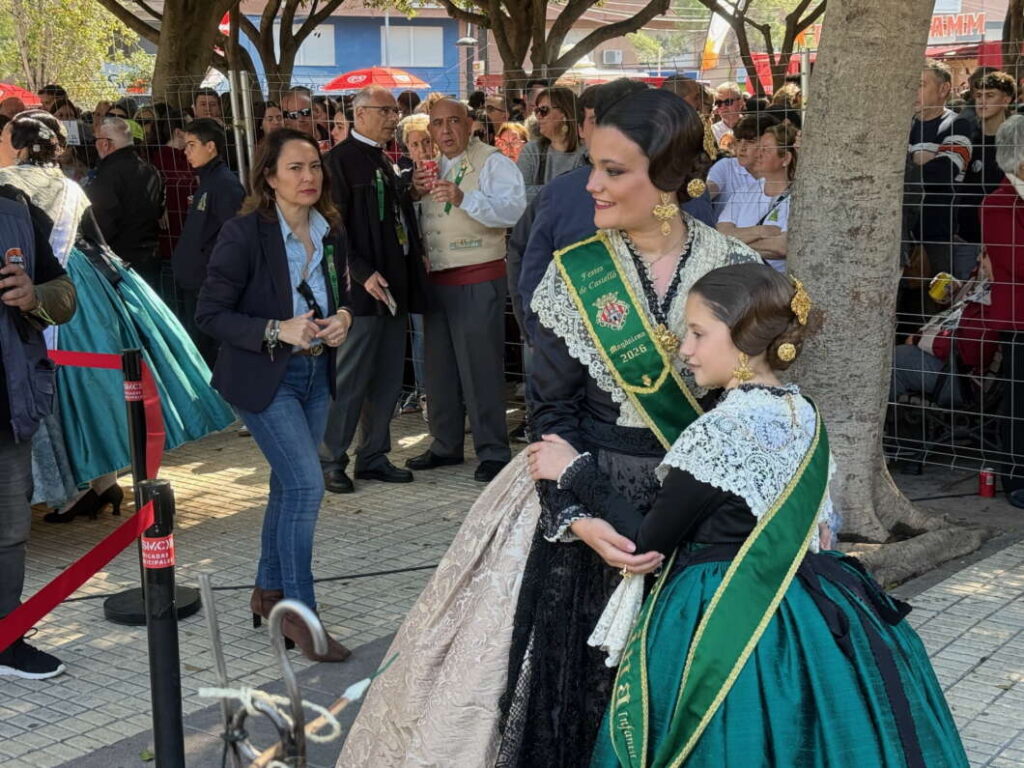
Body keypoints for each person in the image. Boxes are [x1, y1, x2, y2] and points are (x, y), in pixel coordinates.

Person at [337, 89, 758, 768]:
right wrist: (577, 517)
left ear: (670, 175)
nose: (591, 184)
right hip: (588, 504)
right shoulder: (577, 274)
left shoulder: (732, 271)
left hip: (700, 514)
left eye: (614, 170)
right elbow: (552, 414)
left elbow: (749, 412)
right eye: (593, 164)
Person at [528, 263, 968, 768]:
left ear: (743, 340)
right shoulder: (802, 412)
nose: (684, 349)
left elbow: (644, 544)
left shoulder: (722, 431)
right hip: (811, 604)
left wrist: (575, 471)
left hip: (723, 611)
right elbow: (821, 530)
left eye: (697, 333)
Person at [0, 110, 233, 522]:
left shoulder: (8, 184)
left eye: (4, 138)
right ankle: (104, 484)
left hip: (40, 286)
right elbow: (97, 239)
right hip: (92, 281)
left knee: (61, 390)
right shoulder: (71, 186)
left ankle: (70, 490)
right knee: (102, 388)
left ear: (19, 146)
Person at [197, 128, 354, 660]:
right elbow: (210, 314)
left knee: (289, 488)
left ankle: (267, 593)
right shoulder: (244, 234)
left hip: (315, 375)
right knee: (307, 488)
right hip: (264, 379)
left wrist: (344, 319)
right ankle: (300, 616)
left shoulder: (329, 229)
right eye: (295, 168)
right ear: (269, 177)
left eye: (314, 166)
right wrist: (275, 329)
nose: (309, 176)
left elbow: (344, 289)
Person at [405, 98, 526, 483]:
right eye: (437, 124)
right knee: (439, 370)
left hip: (477, 275)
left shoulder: (493, 162)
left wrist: (464, 198)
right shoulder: (430, 166)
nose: (445, 131)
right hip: (437, 279)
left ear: (470, 124)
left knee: (481, 368)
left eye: (453, 122)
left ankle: (492, 449)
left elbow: (512, 212)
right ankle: (445, 443)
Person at [319, 86, 427, 493]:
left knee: (386, 378)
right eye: (385, 111)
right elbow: (332, 225)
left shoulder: (384, 159)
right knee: (349, 379)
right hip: (360, 292)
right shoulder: (339, 162)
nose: (392, 118)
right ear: (360, 113)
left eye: (395, 112)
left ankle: (375, 455)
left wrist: (411, 190)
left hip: (394, 286)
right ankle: (331, 458)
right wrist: (361, 271)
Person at [0, 171, 77, 680]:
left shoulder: (17, 209)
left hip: (8, 405)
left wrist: (34, 297)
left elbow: (65, 296)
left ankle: (7, 637)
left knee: (9, 531)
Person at [901, 60, 975, 333]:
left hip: (936, 236)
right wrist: (919, 161)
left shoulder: (957, 125)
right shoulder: (902, 126)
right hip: (900, 236)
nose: (914, 92)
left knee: (933, 313)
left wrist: (908, 164)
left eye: (921, 85)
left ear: (944, 89)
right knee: (900, 313)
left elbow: (943, 173)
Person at [171, 118, 245, 366]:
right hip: (195, 282)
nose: (186, 151)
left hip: (209, 285)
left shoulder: (224, 184)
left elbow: (234, 238)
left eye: (192, 145)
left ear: (210, 146)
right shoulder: (208, 181)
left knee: (209, 352)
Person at [85, 116, 166, 288]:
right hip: (149, 256)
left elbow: (101, 223)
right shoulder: (151, 170)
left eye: (97, 140)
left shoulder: (107, 176)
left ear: (106, 143)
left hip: (119, 262)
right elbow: (159, 210)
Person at [955, 70, 1016, 279]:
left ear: (1006, 99)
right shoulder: (966, 136)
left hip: (1006, 238)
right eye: (979, 95)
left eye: (990, 95)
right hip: (967, 237)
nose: (982, 101)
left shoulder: (1016, 141)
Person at [716, 122, 796, 272]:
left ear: (785, 158)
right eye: (759, 147)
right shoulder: (743, 192)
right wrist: (760, 231)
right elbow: (721, 234)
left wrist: (733, 244)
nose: (758, 154)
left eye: (765, 150)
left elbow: (781, 247)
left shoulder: (798, 199)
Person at [516, 86, 587, 203]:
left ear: (564, 113)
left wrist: (543, 192)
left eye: (543, 110)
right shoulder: (532, 150)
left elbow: (585, 194)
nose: (538, 116)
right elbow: (519, 193)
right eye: (536, 111)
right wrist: (564, 190)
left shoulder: (587, 151)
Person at [706, 112, 780, 220]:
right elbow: (708, 191)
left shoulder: (778, 172)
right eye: (739, 140)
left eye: (751, 141)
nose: (742, 147)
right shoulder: (726, 166)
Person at [711, 81, 744, 146]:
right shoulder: (712, 131)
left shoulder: (753, 127)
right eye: (719, 103)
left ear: (740, 102)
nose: (723, 107)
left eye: (728, 102)